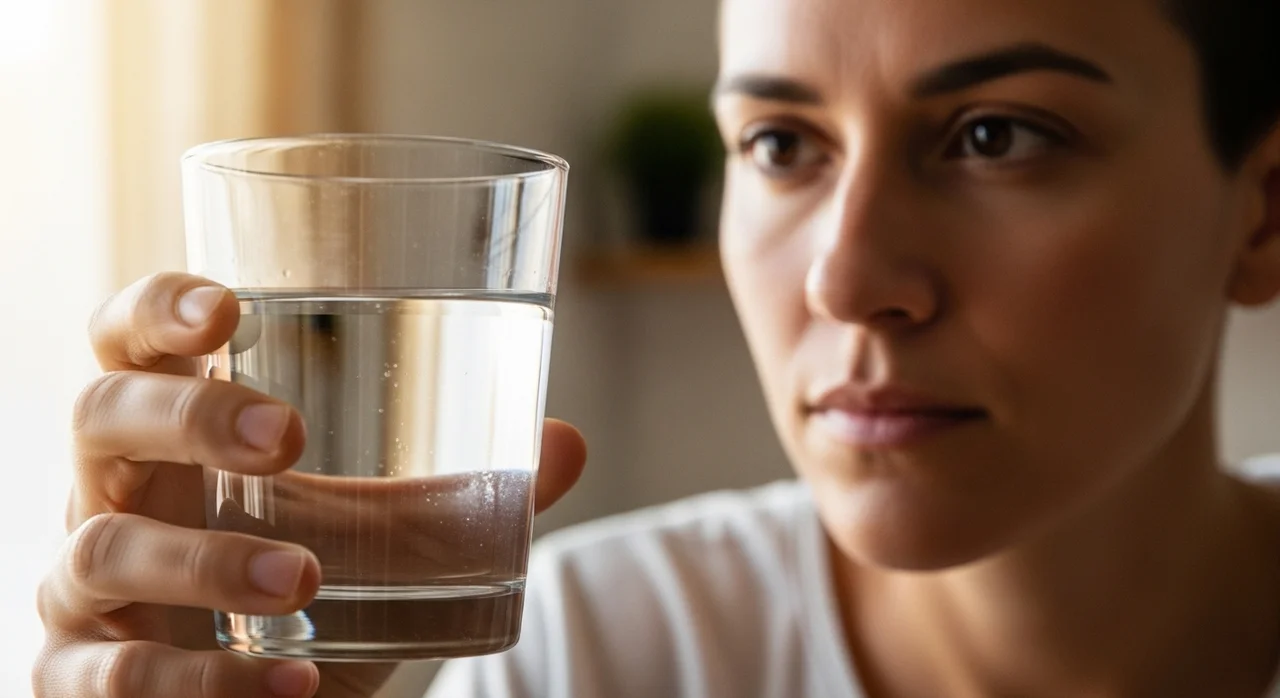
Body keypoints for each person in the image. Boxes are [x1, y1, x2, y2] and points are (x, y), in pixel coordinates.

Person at [33, 0, 1280, 695]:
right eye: (782, 146)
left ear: (1262, 213)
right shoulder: (592, 656)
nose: (843, 277)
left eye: (996, 136)